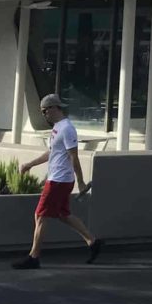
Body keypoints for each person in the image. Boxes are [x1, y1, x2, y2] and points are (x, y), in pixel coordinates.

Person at [13, 93, 101, 269]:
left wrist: (81, 182)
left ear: (54, 108)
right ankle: (93, 242)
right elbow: (52, 152)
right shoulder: (57, 128)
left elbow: (74, 157)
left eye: (45, 111)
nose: (44, 114)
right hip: (57, 179)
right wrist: (30, 164)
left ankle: (34, 257)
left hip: (59, 180)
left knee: (40, 215)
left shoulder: (67, 129)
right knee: (63, 214)